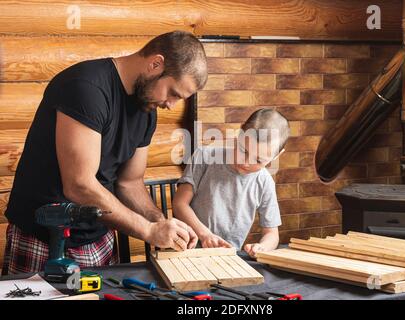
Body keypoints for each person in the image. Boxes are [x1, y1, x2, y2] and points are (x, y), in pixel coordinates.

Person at [2, 31, 207, 275]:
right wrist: (148, 231)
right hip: (45, 238)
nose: (171, 105)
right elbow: (79, 185)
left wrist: (158, 221)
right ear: (156, 64)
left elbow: (130, 183)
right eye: (173, 93)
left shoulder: (146, 109)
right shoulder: (85, 87)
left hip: (98, 237)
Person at [173, 109, 289, 257]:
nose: (246, 162)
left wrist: (263, 247)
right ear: (239, 134)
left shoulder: (265, 182)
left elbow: (272, 234)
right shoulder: (205, 156)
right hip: (186, 252)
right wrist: (205, 235)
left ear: (277, 155)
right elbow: (179, 204)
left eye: (259, 160)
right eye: (244, 151)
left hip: (229, 258)